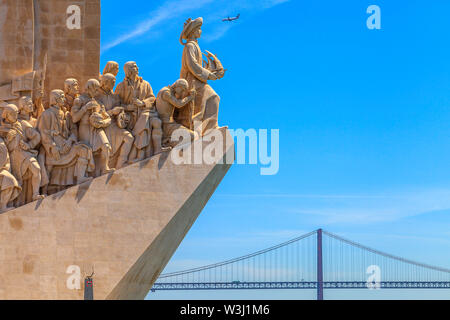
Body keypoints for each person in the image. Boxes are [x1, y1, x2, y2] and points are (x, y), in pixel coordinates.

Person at [37, 90, 94, 190]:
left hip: (67, 145)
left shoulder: (66, 114)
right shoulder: (46, 114)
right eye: (61, 97)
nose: (64, 99)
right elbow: (43, 133)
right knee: (48, 166)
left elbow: (73, 129)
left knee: (84, 149)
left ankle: (80, 178)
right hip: (53, 148)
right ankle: (44, 190)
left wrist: (70, 140)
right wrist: (53, 147)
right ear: (55, 99)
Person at [179, 17, 224, 136]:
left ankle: (209, 128)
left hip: (199, 81)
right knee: (211, 98)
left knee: (210, 99)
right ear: (193, 31)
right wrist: (209, 75)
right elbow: (192, 65)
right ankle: (205, 129)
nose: (201, 31)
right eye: (199, 29)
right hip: (192, 82)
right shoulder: (190, 46)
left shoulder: (194, 46)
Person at [115, 61, 163, 161]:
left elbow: (152, 98)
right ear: (128, 70)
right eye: (134, 67)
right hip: (129, 117)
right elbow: (116, 104)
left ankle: (155, 150)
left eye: (136, 66)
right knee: (144, 120)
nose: (137, 68)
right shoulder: (120, 86)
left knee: (154, 121)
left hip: (144, 113)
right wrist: (128, 107)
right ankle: (139, 155)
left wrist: (143, 103)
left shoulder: (145, 84)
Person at [1, 104, 44, 204]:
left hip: (24, 153)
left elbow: (37, 136)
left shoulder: (23, 124)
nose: (15, 116)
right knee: (15, 182)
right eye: (12, 114)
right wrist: (7, 140)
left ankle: (35, 194)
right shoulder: (2, 129)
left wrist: (29, 145)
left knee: (36, 168)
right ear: (6, 115)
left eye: (16, 113)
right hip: (12, 158)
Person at [72, 79, 114, 176]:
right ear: (89, 88)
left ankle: (105, 168)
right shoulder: (79, 100)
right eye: (95, 90)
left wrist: (102, 123)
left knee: (106, 146)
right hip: (85, 128)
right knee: (86, 151)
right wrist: (85, 108)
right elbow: (74, 118)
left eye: (97, 90)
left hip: (97, 128)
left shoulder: (98, 102)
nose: (97, 92)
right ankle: (82, 176)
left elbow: (108, 118)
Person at [96, 73, 134, 169]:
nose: (114, 84)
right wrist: (112, 111)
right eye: (112, 82)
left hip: (115, 125)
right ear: (105, 82)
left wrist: (124, 112)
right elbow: (97, 115)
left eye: (114, 82)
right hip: (104, 126)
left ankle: (120, 164)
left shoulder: (115, 97)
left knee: (129, 138)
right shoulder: (97, 97)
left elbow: (122, 108)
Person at [155, 79, 196, 147]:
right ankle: (167, 142)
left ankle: (169, 141)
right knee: (192, 135)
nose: (182, 92)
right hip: (166, 125)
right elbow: (178, 104)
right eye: (182, 89)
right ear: (177, 86)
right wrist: (190, 97)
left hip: (170, 124)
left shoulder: (170, 92)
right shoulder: (166, 92)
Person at [0, 137, 21, 212]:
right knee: (9, 180)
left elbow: (4, 157)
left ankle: (2, 206)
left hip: (2, 169)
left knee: (10, 181)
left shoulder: (1, 141)